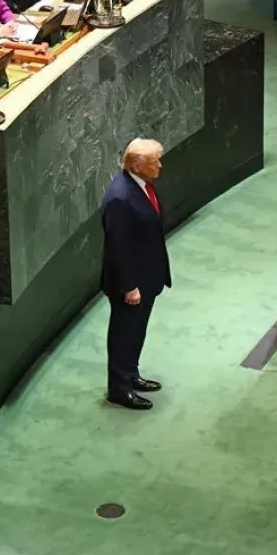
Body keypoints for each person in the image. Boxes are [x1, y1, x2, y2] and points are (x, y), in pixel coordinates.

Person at [100, 138, 171, 410]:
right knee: (123, 333)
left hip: (146, 277)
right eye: (155, 162)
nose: (160, 166)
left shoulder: (142, 186)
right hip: (130, 284)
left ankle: (130, 375)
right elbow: (118, 248)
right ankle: (119, 388)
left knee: (136, 330)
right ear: (138, 165)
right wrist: (129, 286)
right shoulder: (120, 198)